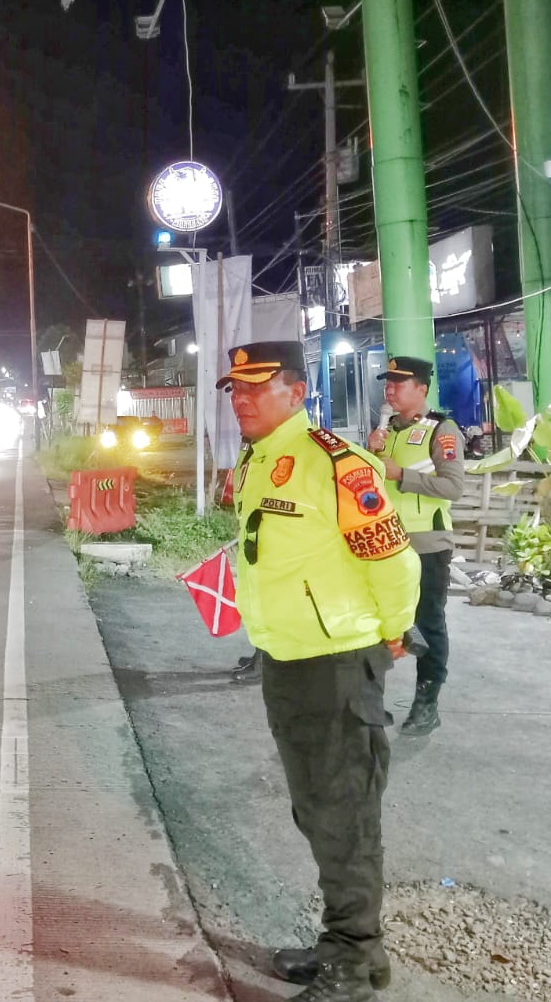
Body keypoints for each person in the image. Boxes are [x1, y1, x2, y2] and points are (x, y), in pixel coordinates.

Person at [218, 341, 421, 1001]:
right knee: (316, 808)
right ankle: (353, 947)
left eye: (258, 386)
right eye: (236, 389)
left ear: (297, 392)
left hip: (336, 662)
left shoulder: (337, 464)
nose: (242, 399)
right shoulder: (258, 459)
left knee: (342, 811)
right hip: (287, 656)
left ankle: (352, 967)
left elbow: (393, 560)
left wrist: (393, 631)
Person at [368, 355, 465, 735]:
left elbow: (453, 487)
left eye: (399, 383)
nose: (389, 389)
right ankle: (369, 701)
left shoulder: (441, 430)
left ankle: (427, 702)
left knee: (427, 624)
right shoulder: (386, 431)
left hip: (426, 545)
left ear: (421, 389)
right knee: (376, 621)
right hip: (383, 543)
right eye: (387, 382)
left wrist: (401, 475)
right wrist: (370, 452)